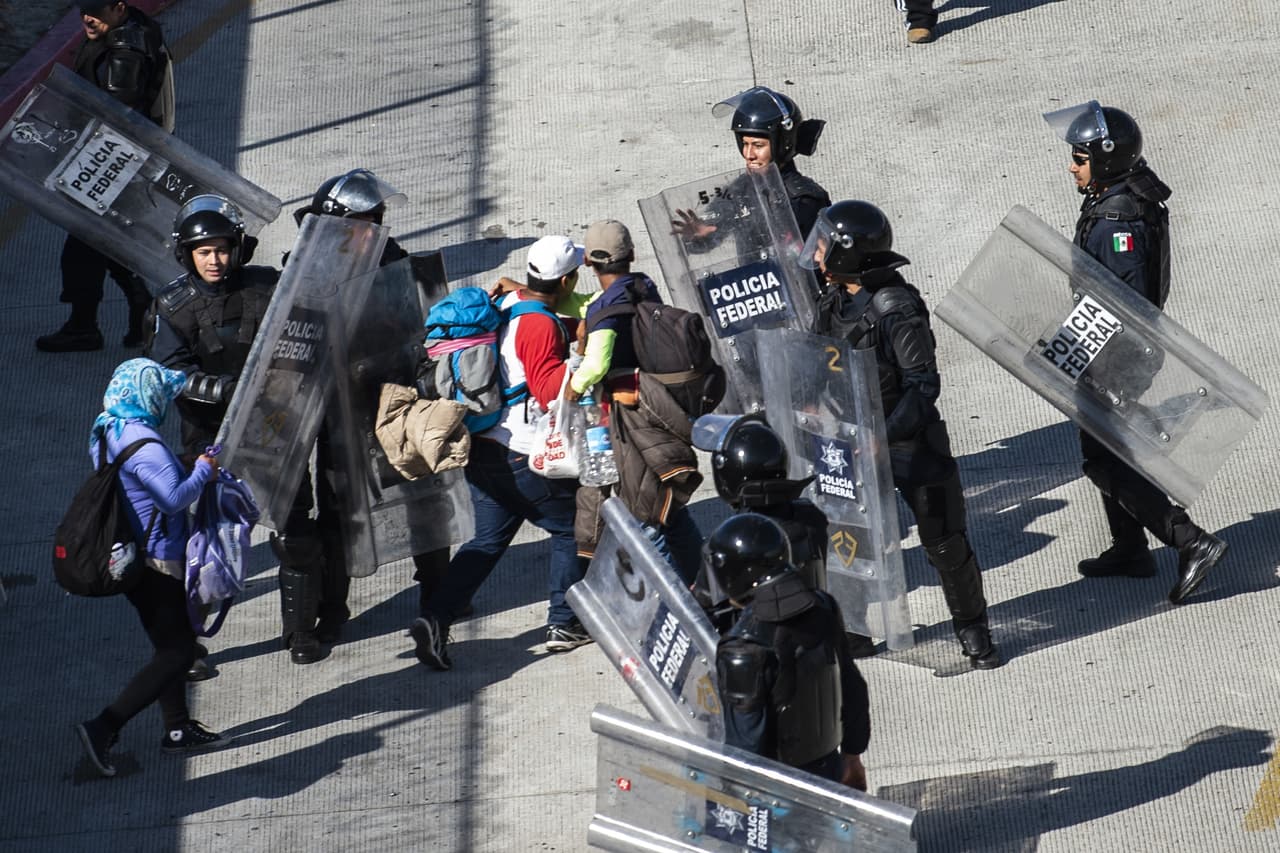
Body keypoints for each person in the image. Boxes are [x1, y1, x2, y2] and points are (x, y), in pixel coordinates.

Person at [806, 199, 1001, 669]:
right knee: (848, 535)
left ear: (848, 252)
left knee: (943, 538)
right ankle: (854, 629)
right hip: (853, 438)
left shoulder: (896, 308)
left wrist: (883, 435)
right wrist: (809, 403)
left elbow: (922, 385)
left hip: (906, 438)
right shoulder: (832, 301)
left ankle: (973, 628)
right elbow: (818, 362)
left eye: (825, 246)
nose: (816, 253)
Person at [1045, 101, 1227, 603]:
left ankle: (1190, 541)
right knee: (1111, 447)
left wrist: (1072, 351)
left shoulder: (1116, 221)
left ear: (1105, 159)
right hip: (1115, 349)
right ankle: (1129, 548)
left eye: (1079, 158)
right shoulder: (1122, 194)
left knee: (1106, 461)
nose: (1071, 166)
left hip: (1118, 355)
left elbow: (1120, 306)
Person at [144, 195, 312, 666]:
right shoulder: (173, 306)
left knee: (295, 532)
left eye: (221, 249)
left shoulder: (268, 286)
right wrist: (227, 391)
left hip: (275, 424)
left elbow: (303, 336)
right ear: (187, 255)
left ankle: (301, 631)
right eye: (203, 252)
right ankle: (189, 647)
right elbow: (169, 373)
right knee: (205, 543)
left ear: (237, 248)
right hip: (209, 437)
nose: (214, 260)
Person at [412, 237, 589, 670]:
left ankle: (435, 618)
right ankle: (564, 623)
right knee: (573, 528)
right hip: (520, 454)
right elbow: (548, 391)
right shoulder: (540, 326)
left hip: (483, 449)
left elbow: (533, 316)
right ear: (566, 281)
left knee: (487, 542)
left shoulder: (510, 301)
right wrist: (582, 359)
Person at [74, 358, 232, 778]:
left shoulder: (109, 428)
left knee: (169, 645)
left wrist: (178, 462)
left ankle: (177, 730)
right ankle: (103, 727)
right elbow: (173, 499)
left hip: (129, 555)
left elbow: (138, 481)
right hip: (159, 561)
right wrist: (203, 470)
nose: (166, 401)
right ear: (148, 396)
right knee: (177, 653)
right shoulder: (145, 443)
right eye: (162, 393)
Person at [568, 219, 705, 584]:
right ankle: (704, 586)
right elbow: (585, 303)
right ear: (631, 254)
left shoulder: (604, 312)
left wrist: (573, 388)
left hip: (630, 424)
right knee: (668, 509)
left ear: (587, 262)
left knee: (645, 520)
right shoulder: (641, 286)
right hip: (660, 408)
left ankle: (675, 603)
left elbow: (596, 364)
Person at [36, 2, 173, 353]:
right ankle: (133, 306)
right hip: (117, 158)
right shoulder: (131, 28)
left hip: (109, 159)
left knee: (84, 244)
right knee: (102, 240)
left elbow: (115, 113)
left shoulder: (125, 51)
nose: (87, 17)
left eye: (96, 10)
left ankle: (87, 325)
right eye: (84, 8)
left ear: (118, 8)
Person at [707, 513, 869, 790]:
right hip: (830, 770)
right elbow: (853, 688)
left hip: (777, 793)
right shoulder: (823, 607)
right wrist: (853, 756)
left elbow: (745, 748)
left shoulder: (744, 649)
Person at [691, 414, 830, 632]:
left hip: (755, 643)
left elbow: (701, 609)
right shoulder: (811, 518)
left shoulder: (730, 540)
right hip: (813, 631)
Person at [673, 86, 830, 245]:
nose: (749, 154)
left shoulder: (804, 198)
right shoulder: (739, 190)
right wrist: (698, 236)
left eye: (758, 145)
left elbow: (818, 255)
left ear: (783, 144)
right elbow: (711, 234)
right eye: (745, 144)